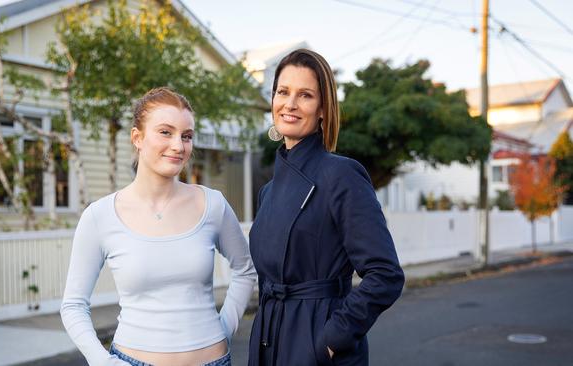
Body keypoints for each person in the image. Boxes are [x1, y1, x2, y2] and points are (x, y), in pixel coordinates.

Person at [61, 87, 257, 366]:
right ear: (137, 138)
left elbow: (245, 270)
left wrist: (222, 330)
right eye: (166, 132)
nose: (178, 145)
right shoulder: (99, 216)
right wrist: (102, 362)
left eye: (186, 136)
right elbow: (73, 305)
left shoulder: (213, 205)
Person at [248, 49, 405, 366]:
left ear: (322, 109)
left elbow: (385, 275)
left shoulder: (341, 175)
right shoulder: (268, 191)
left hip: (317, 343)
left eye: (305, 95)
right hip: (268, 338)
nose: (290, 104)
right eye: (283, 92)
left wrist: (330, 340)